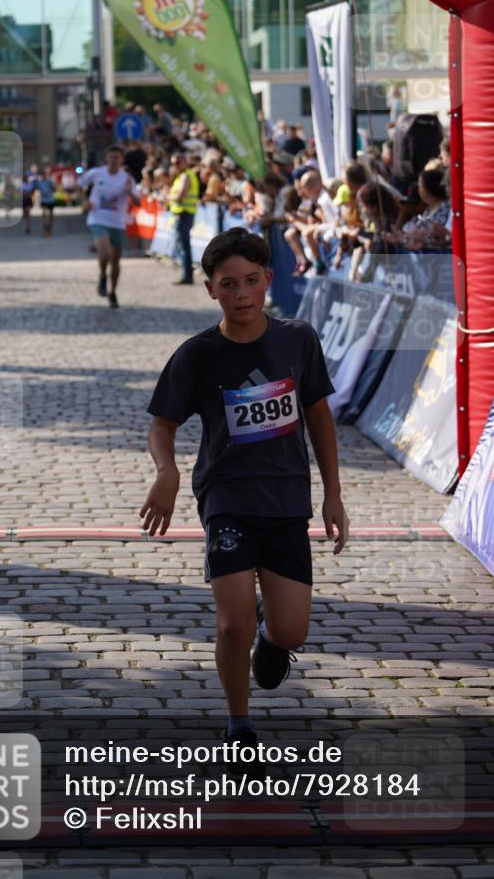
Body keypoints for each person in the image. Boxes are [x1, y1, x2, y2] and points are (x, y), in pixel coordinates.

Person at [140, 228, 348, 748]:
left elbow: (319, 416)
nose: (241, 294)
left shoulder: (298, 340)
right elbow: (162, 424)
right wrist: (167, 472)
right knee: (231, 624)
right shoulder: (197, 354)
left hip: (287, 500)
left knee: (293, 631)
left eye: (251, 281)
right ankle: (239, 725)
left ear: (268, 280)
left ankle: (271, 634)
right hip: (226, 498)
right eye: (228, 284)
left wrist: (334, 493)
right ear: (210, 289)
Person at [77, 145, 138, 309]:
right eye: (111, 157)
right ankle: (103, 275)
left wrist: (129, 192)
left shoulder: (127, 179)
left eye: (116, 157)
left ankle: (113, 292)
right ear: (106, 158)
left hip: (117, 222)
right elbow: (79, 184)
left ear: (121, 160)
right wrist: (84, 201)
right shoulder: (96, 173)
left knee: (116, 260)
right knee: (106, 253)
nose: (113, 160)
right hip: (97, 219)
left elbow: (138, 202)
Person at [168, 151, 199, 285]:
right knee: (182, 245)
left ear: (185, 162)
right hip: (182, 214)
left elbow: (180, 196)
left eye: (177, 162)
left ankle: (187, 276)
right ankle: (186, 274)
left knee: (184, 246)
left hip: (184, 214)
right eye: (172, 163)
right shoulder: (180, 176)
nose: (174, 165)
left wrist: (167, 197)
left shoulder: (186, 176)